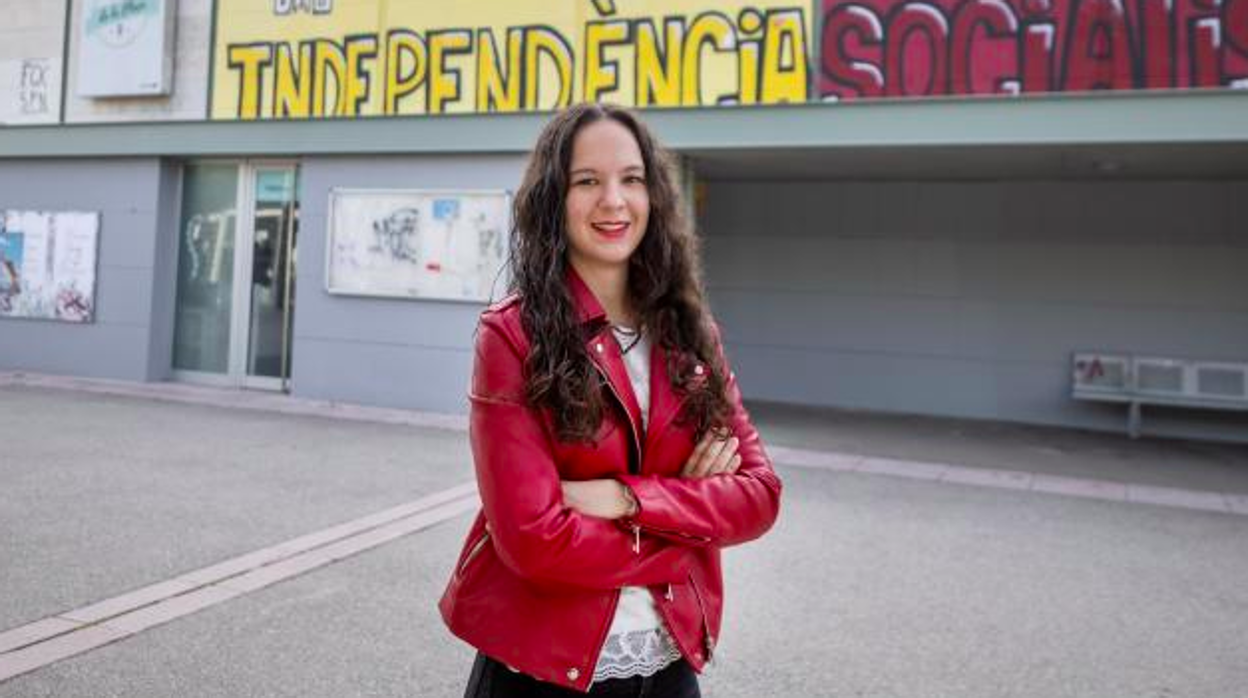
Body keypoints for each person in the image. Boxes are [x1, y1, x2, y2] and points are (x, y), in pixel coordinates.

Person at [439, 102, 783, 697]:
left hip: (669, 663)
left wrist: (625, 497)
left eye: (631, 179)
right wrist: (689, 535)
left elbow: (758, 495)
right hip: (544, 671)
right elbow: (532, 542)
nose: (613, 201)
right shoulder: (514, 336)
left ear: (654, 195)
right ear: (554, 198)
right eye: (587, 182)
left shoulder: (689, 333)